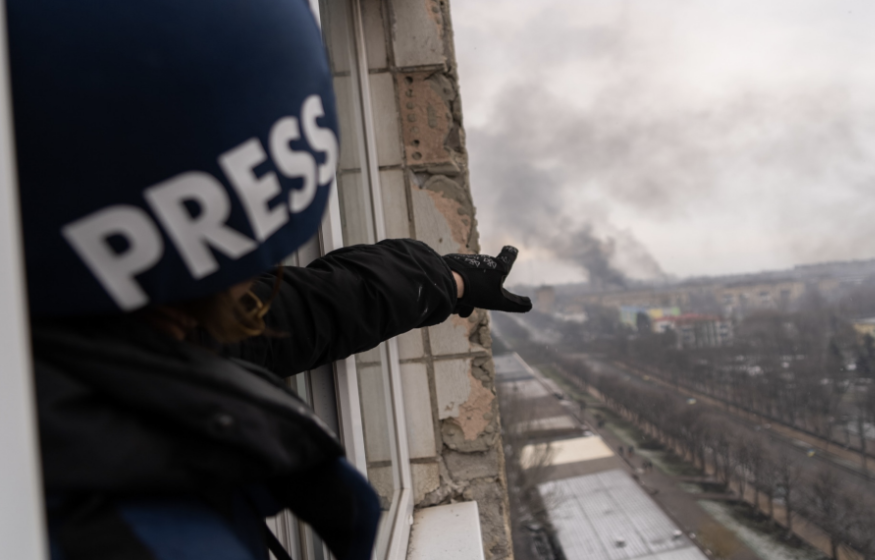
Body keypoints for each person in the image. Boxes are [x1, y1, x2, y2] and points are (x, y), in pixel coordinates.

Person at [9, 1, 532, 559]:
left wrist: (442, 278)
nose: (244, 288)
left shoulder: (97, 343)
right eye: (225, 271)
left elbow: (279, 318)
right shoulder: (127, 529)